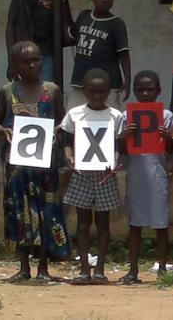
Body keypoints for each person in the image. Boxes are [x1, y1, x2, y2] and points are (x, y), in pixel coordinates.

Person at [0, 41, 72, 281]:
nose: (32, 65)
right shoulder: (8, 91)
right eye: (26, 61)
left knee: (46, 211)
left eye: (36, 59)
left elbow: (63, 120)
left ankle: (44, 267)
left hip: (46, 163)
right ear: (15, 64)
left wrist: (57, 131)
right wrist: (4, 131)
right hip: (18, 165)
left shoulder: (52, 90)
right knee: (20, 212)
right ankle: (24, 266)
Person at [59, 69, 124, 285]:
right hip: (81, 172)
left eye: (102, 92)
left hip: (105, 174)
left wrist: (115, 161)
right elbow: (67, 140)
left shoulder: (115, 116)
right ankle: (85, 268)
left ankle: (101, 269)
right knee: (83, 221)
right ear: (85, 91)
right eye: (92, 91)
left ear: (108, 92)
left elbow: (117, 145)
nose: (97, 96)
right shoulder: (75, 114)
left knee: (103, 222)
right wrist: (69, 158)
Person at [118, 71, 172, 285]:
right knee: (135, 223)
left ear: (159, 91)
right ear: (134, 92)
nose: (146, 93)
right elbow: (120, 149)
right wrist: (124, 136)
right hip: (136, 175)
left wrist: (167, 138)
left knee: (161, 224)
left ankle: (162, 268)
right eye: (140, 89)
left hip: (158, 174)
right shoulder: (125, 117)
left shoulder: (166, 116)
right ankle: (133, 270)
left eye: (150, 89)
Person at [68, 0, 130, 110]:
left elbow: (124, 54)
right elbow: (70, 36)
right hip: (81, 81)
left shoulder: (116, 23)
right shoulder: (84, 16)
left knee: (110, 120)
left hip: (108, 86)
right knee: (74, 119)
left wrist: (127, 80)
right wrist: (62, 8)